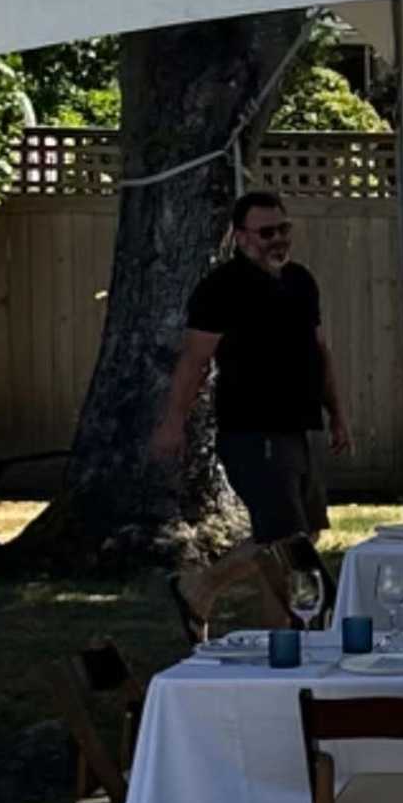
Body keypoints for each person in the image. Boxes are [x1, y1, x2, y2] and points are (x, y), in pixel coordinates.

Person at [155, 187, 348, 565]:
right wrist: (173, 423)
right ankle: (199, 588)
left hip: (301, 425)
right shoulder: (221, 289)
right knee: (283, 537)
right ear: (241, 237)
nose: (278, 239)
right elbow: (194, 361)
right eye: (266, 233)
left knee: (307, 531)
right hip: (253, 430)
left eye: (283, 229)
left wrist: (338, 415)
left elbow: (320, 351)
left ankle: (275, 606)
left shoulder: (300, 281)